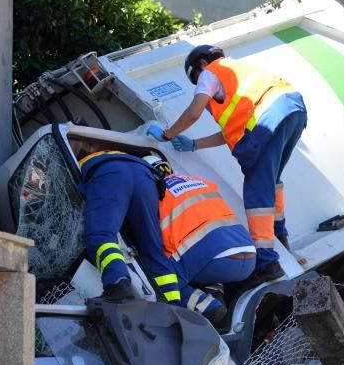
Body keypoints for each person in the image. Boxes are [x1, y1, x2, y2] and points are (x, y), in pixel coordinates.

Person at [156, 45, 307, 287]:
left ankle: (268, 263)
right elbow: (231, 131)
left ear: (202, 63)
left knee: (257, 191)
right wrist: (195, 144)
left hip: (269, 118)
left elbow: (193, 113)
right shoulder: (238, 69)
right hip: (292, 109)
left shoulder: (210, 72)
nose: (199, 85)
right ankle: (280, 236)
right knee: (272, 180)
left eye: (195, 78)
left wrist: (167, 134)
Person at [70, 138, 227, 324]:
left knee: (101, 235)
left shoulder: (80, 162)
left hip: (110, 173)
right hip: (144, 175)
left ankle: (117, 285)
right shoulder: (117, 151)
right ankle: (174, 308)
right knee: (153, 250)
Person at [154, 157, 257, 312]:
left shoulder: (154, 193)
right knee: (197, 261)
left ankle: (208, 307)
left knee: (160, 274)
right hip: (249, 255)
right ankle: (214, 291)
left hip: (216, 261)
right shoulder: (199, 181)